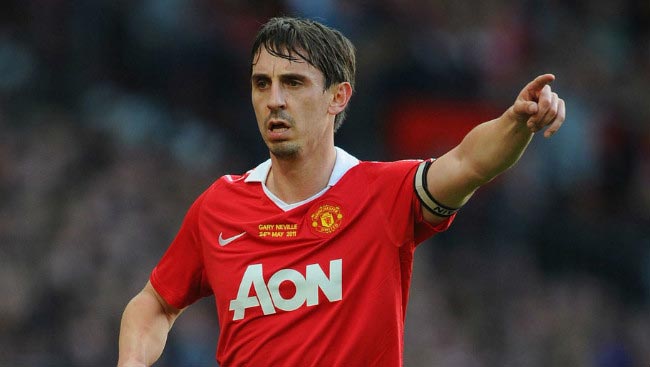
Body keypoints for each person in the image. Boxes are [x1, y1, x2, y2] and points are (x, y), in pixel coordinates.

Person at [117, 16, 566, 367]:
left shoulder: (382, 192)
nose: (274, 99)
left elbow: (468, 163)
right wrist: (133, 359)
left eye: (293, 83)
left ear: (338, 97)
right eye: (262, 84)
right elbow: (155, 302)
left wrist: (516, 122)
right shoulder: (219, 206)